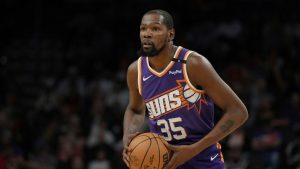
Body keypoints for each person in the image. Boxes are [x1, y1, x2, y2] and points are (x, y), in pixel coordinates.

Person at [122, 9, 248, 169]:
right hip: (165, 162)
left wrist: (194, 149)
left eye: (155, 29)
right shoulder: (136, 71)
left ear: (170, 34)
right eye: (143, 29)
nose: (147, 34)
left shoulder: (193, 64)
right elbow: (135, 109)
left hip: (204, 161)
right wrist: (128, 135)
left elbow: (238, 111)